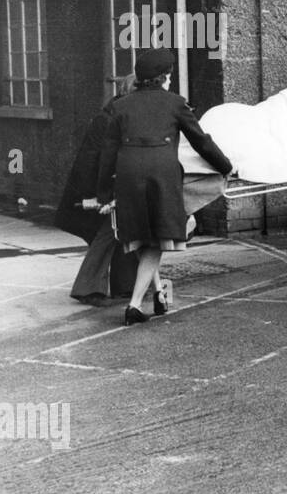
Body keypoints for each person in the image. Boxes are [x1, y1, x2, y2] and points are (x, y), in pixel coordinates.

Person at [97, 48, 233, 325]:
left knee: (143, 239)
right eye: (169, 76)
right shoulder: (175, 103)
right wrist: (225, 166)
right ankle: (134, 305)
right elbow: (200, 141)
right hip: (161, 176)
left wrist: (103, 193)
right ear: (164, 77)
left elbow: (107, 153)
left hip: (129, 176)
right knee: (156, 240)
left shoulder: (120, 106)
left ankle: (158, 293)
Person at [55, 73, 139, 304]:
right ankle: (89, 288)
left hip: (106, 189)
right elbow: (89, 160)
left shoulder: (114, 116)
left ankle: (122, 286)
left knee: (118, 231)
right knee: (109, 233)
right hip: (97, 191)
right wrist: (91, 195)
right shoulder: (109, 120)